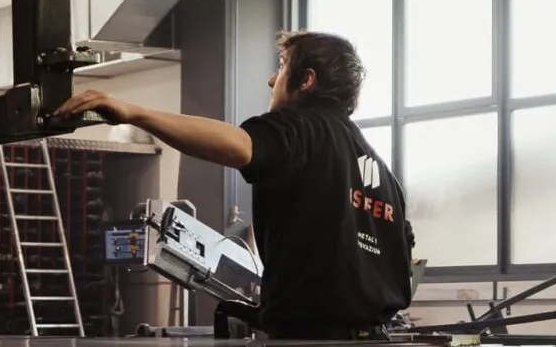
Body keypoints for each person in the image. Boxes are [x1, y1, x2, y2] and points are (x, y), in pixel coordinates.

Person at [57, 30, 413, 339]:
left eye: (282, 66)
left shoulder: (302, 129)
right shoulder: (383, 176)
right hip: (373, 338)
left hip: (311, 339)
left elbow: (241, 146)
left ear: (306, 80)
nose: (271, 80)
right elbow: (399, 256)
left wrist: (134, 113)